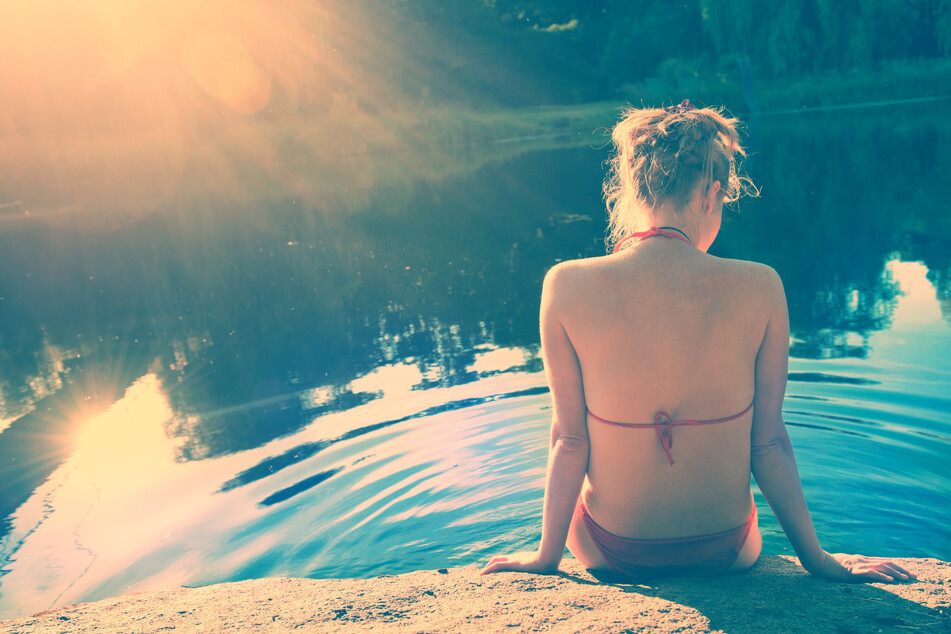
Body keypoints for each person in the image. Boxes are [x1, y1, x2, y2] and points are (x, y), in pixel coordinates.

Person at [481, 100, 914, 584]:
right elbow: (768, 444)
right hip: (729, 550)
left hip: (608, 549)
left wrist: (545, 557)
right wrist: (820, 561)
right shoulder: (762, 286)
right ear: (712, 194)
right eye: (725, 201)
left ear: (630, 191)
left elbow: (569, 440)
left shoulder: (565, 284)